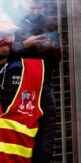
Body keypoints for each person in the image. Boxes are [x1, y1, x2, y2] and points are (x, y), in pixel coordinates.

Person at [11, 0, 60, 162]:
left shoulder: (49, 24)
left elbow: (57, 57)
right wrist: (25, 45)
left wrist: (49, 47)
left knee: (46, 140)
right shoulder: (14, 25)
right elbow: (5, 55)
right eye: (32, 6)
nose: (35, 10)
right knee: (22, 136)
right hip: (21, 89)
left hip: (43, 86)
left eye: (38, 6)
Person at [0, 15, 56, 163]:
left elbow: (46, 128)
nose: (6, 39)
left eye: (9, 34)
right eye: (1, 35)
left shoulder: (33, 72)